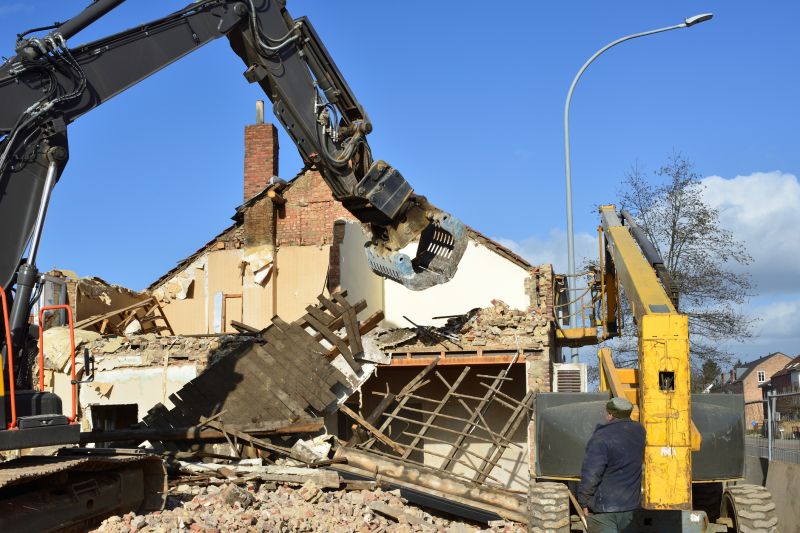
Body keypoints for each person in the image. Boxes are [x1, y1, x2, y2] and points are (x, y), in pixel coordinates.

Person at [576, 397, 646, 533]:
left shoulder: (601, 436)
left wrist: (583, 500)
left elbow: (592, 473)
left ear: (610, 414)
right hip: (631, 507)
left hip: (604, 509)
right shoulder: (640, 431)